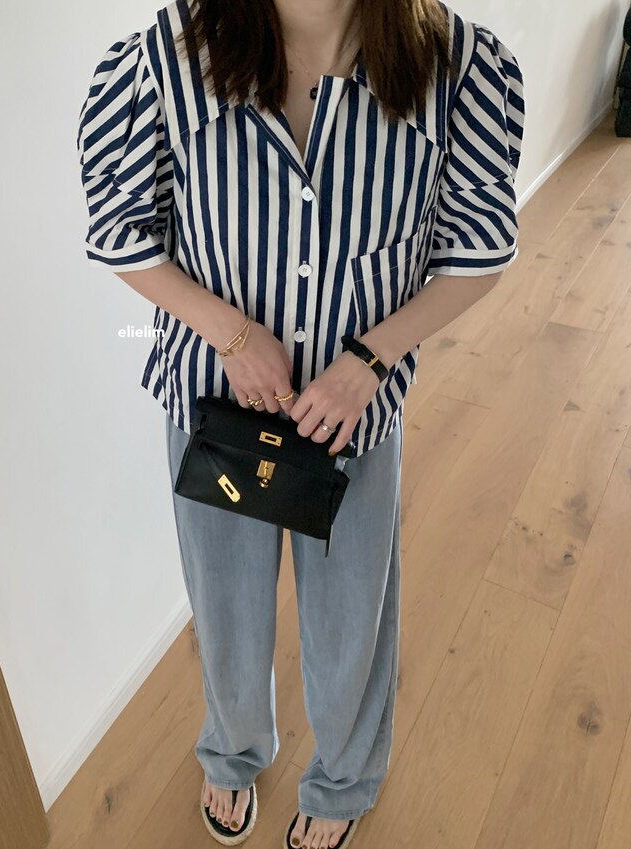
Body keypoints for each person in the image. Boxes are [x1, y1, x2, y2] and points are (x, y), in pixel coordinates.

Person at [76, 0, 525, 847]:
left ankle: (344, 778)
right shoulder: (172, 56)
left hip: (355, 417)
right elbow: (119, 232)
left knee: (353, 615)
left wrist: (370, 360)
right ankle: (233, 750)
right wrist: (233, 335)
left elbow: (478, 253)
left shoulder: (455, 65)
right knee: (224, 605)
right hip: (214, 405)